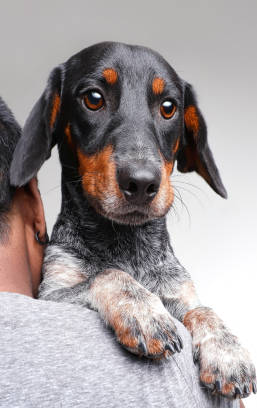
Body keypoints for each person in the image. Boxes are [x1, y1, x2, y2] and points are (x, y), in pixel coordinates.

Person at [0, 97, 241, 408]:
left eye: (167, 109)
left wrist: (203, 320)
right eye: (95, 100)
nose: (141, 174)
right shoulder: (175, 374)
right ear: (35, 204)